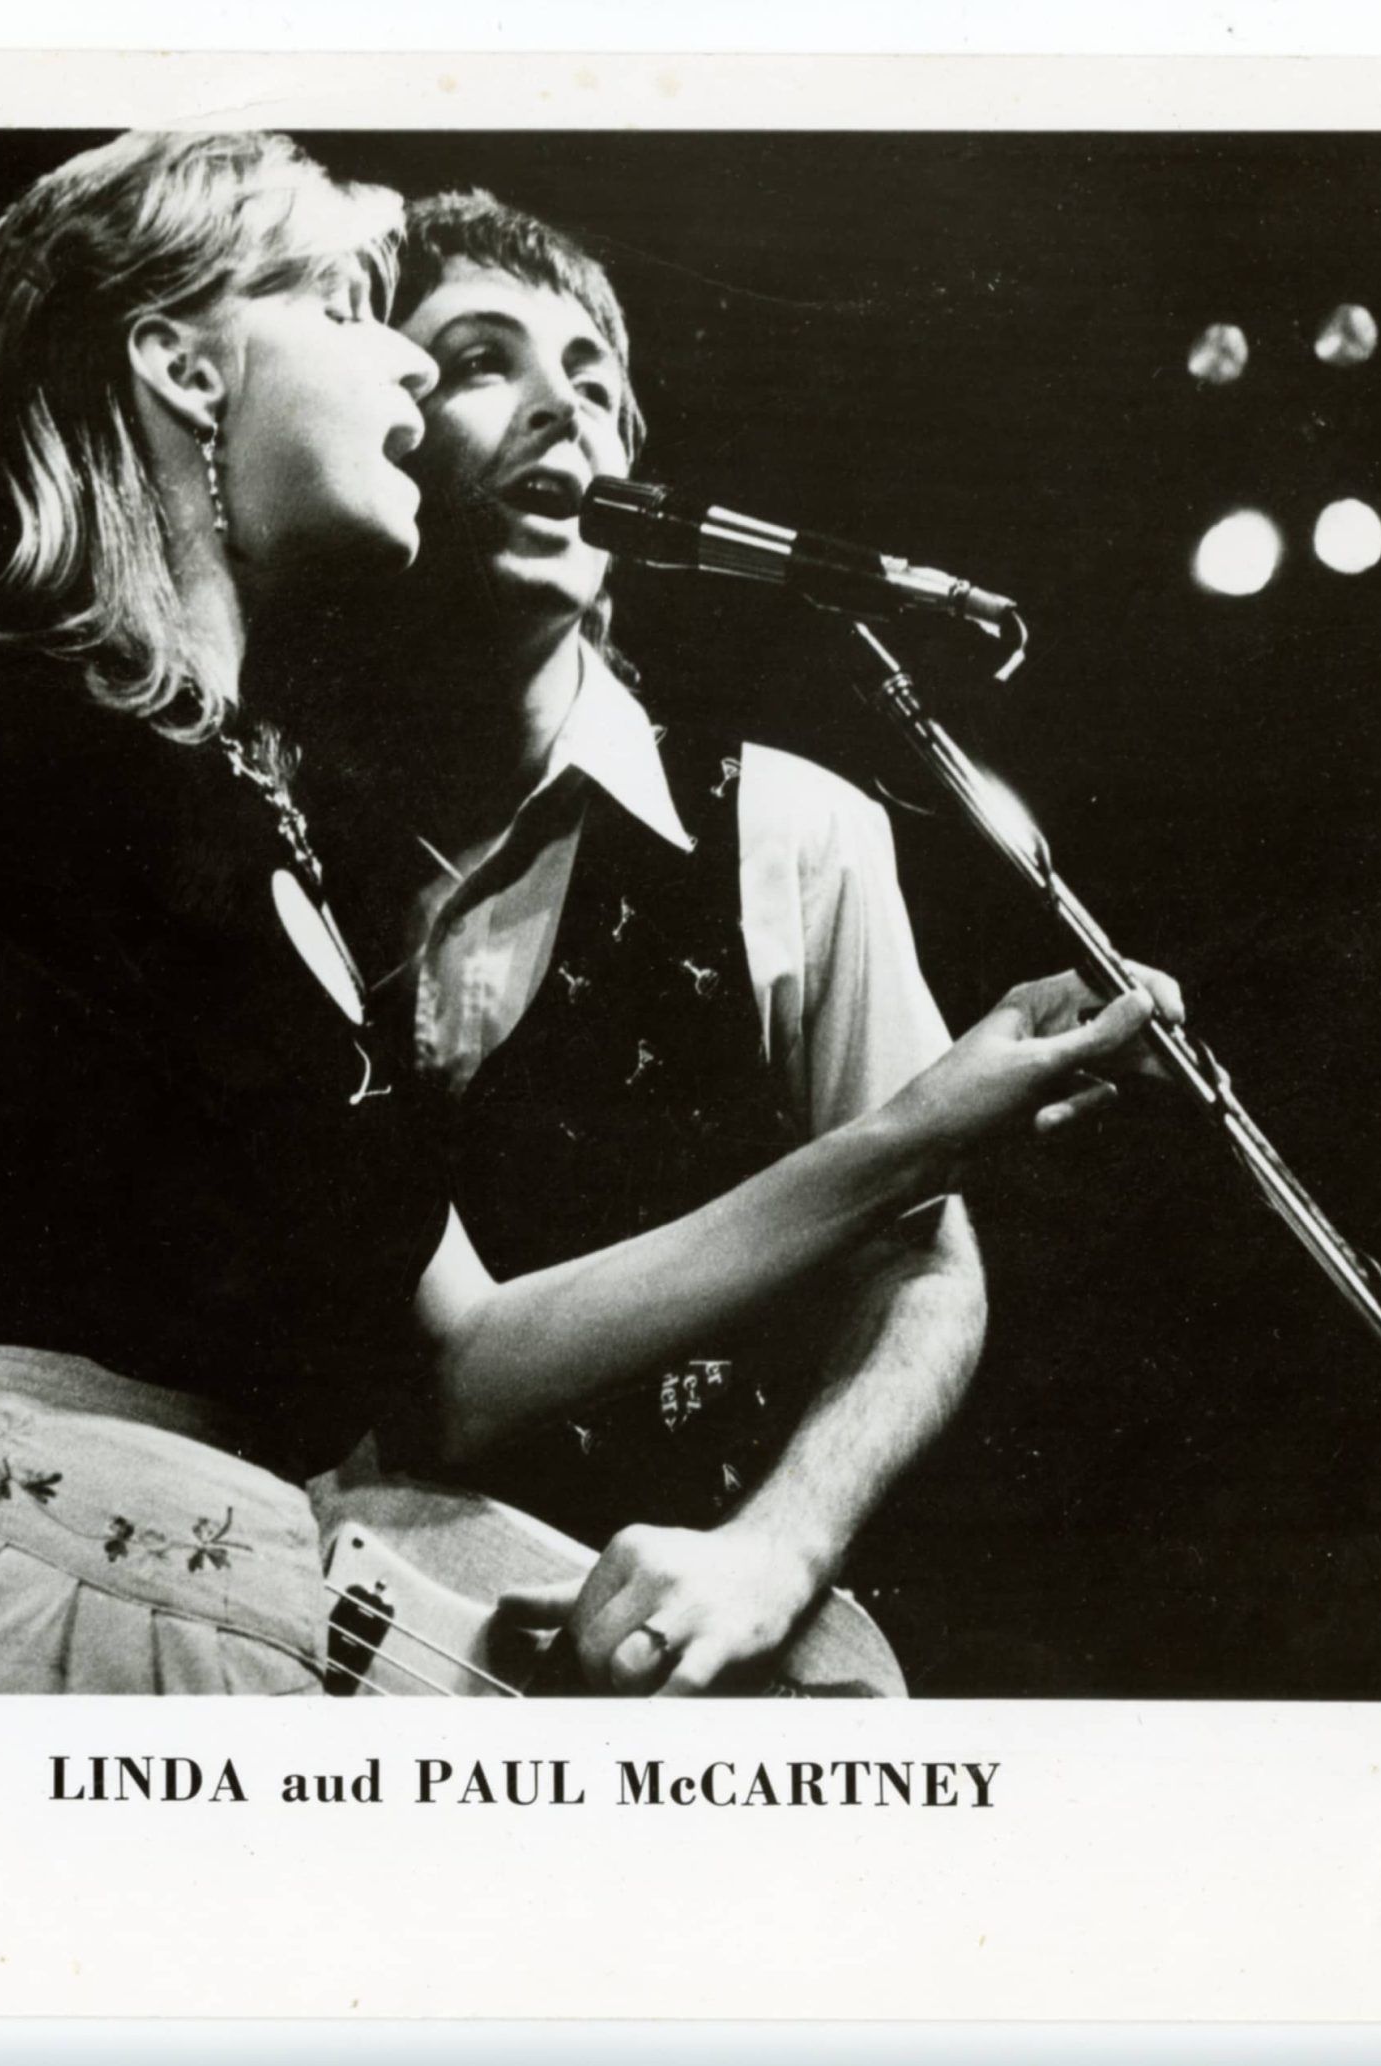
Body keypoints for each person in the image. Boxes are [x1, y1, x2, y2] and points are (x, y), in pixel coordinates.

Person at [0, 131, 1172, 1698]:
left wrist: (921, 1127)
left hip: (216, 1647)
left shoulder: (261, 826)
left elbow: (457, 1355)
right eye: (349, 309)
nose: (398, 360)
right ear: (184, 365)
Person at [305, 189, 1025, 1689]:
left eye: (595, 385)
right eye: (483, 358)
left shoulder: (793, 828)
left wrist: (778, 1546)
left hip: (653, 1684)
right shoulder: (261, 821)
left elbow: (928, 1270)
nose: (562, 414)